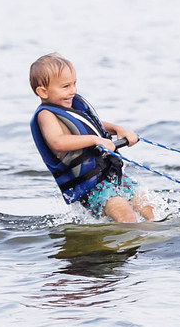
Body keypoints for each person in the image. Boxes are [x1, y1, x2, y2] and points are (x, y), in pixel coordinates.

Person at [29, 53, 154, 223]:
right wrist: (96, 140)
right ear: (43, 91)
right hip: (91, 186)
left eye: (74, 84)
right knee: (126, 215)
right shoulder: (46, 115)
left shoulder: (71, 107)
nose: (73, 91)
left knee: (147, 206)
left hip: (110, 173)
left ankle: (158, 240)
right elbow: (57, 142)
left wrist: (118, 129)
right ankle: (130, 246)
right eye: (66, 86)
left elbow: (92, 123)